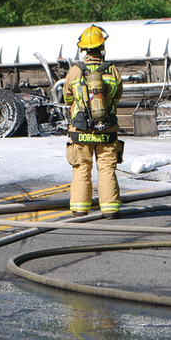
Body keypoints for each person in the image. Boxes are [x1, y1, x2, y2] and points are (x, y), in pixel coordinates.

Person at [63, 25, 124, 218]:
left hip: (80, 130)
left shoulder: (74, 71)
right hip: (107, 130)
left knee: (82, 168)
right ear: (102, 48)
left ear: (84, 50)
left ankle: (80, 209)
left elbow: (67, 98)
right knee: (106, 169)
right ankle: (110, 210)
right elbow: (116, 98)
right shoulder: (112, 71)